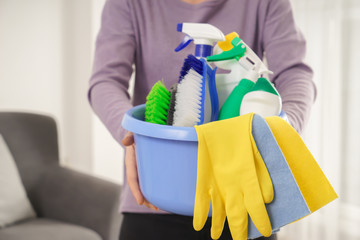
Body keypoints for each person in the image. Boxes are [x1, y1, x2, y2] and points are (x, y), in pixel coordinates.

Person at [88, 0, 316, 239]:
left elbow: (294, 74)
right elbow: (106, 80)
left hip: (243, 199)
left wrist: (282, 133)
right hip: (155, 198)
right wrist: (133, 137)